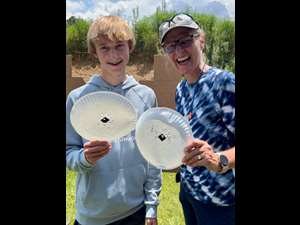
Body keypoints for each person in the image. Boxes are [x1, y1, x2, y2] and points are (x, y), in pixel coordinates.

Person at [66, 16, 162, 225]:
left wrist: (151, 206)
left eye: (120, 46)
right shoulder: (78, 99)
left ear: (130, 47)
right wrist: (85, 158)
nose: (114, 55)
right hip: (93, 215)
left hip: (135, 211)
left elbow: (153, 154)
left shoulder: (146, 96)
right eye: (104, 48)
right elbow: (69, 153)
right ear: (94, 52)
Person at [159, 13, 235, 225]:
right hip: (189, 193)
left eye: (185, 40)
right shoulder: (181, 89)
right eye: (171, 46)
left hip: (220, 202)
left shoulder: (225, 83)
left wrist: (218, 160)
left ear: (201, 40)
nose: (179, 51)